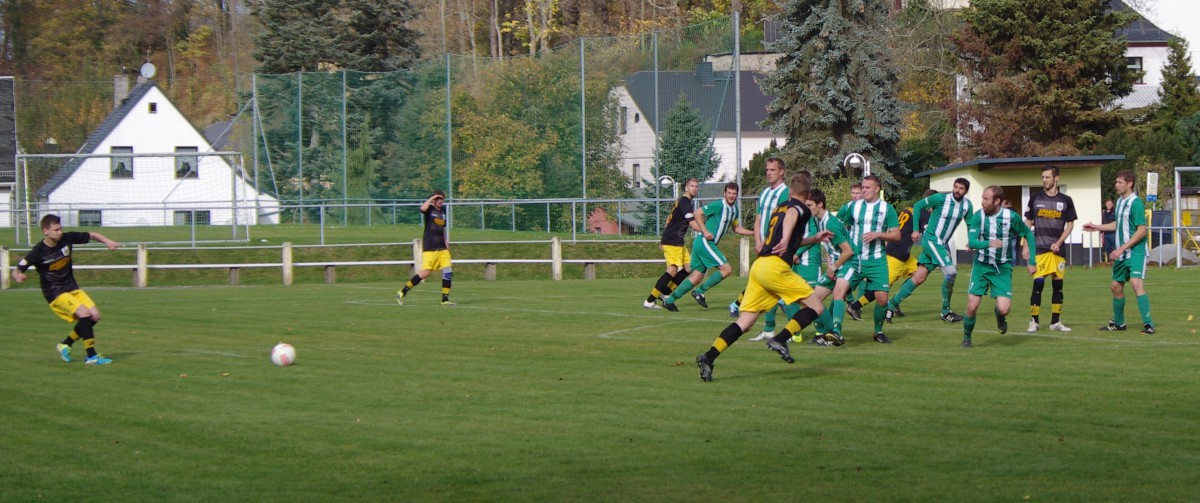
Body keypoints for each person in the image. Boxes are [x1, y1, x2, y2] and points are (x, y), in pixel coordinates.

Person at [695, 173, 833, 382]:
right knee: (817, 307)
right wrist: (787, 238)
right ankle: (781, 338)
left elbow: (787, 233)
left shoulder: (780, 208)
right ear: (805, 195)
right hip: (775, 268)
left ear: (789, 190)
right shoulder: (799, 208)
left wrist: (812, 238)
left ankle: (708, 356)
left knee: (746, 321)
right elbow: (792, 218)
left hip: (760, 267)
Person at [11, 214, 121, 365]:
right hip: (55, 292)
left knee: (95, 316)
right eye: (56, 229)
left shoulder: (67, 239)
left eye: (60, 228)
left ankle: (65, 344)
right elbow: (18, 269)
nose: (60, 232)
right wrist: (17, 275)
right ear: (46, 231)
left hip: (71, 288)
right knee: (84, 313)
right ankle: (91, 356)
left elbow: (92, 235)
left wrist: (108, 241)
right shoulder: (38, 252)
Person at [887, 180, 974, 323]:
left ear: (966, 191)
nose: (957, 190)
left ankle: (890, 306)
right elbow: (918, 205)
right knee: (951, 273)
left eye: (961, 188)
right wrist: (915, 229)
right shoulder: (940, 198)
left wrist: (971, 240)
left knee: (919, 277)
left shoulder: (966, 205)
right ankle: (946, 312)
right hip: (932, 240)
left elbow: (970, 223)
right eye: (956, 187)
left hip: (940, 243)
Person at [960, 186, 1035, 348]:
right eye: (982, 198)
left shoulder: (1011, 217)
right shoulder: (978, 216)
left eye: (986, 199)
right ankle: (966, 338)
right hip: (981, 266)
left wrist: (1032, 261)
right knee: (972, 306)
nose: (982, 202)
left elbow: (1028, 234)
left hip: (1002, 268)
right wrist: (988, 243)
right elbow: (972, 242)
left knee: (1004, 309)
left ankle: (1000, 316)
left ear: (997, 201)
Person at [846, 189, 934, 322]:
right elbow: (929, 235)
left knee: (920, 274)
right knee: (882, 287)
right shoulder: (923, 214)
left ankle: (896, 301)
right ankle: (855, 306)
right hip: (895, 255)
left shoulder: (909, 209)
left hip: (904, 255)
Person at [1083, 170, 1155, 334]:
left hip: (1135, 251)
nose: (1116, 185)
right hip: (1122, 253)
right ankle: (1119, 323)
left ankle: (1148, 324)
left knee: (1136, 284)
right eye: (1116, 182)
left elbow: (1142, 230)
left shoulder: (1136, 202)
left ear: (1129, 184)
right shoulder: (1120, 202)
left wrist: (1122, 247)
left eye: (1119, 182)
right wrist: (1097, 227)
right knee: (1116, 286)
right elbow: (1118, 224)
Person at [663, 182, 752, 311]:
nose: (732, 196)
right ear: (724, 193)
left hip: (702, 243)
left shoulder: (734, 210)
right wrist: (704, 231)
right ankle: (699, 292)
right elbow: (698, 212)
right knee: (726, 269)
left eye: (734, 193)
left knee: (697, 276)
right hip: (705, 242)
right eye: (729, 193)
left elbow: (736, 228)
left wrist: (754, 233)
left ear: (737, 194)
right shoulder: (718, 205)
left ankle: (670, 301)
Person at [728, 157, 790, 342]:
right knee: (769, 289)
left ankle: (795, 330)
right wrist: (758, 241)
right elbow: (758, 220)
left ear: (781, 172)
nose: (769, 172)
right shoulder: (764, 194)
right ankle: (770, 329)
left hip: (777, 249)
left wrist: (772, 242)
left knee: (782, 290)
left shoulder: (785, 193)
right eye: (767, 170)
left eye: (772, 169)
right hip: (764, 248)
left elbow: (785, 221)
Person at [839, 175, 901, 343]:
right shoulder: (853, 206)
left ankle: (878, 332)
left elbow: (896, 234)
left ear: (876, 189)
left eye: (867, 188)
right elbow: (840, 225)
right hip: (855, 259)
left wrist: (878, 234)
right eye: (863, 187)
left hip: (877, 260)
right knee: (839, 292)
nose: (863, 190)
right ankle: (833, 330)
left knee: (882, 299)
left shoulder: (887, 209)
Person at [1024, 165, 1078, 332]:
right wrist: (1025, 244)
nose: (1044, 180)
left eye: (1047, 177)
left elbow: (1070, 224)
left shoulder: (1066, 200)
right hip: (1040, 249)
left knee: (1057, 286)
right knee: (1038, 285)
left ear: (1056, 178)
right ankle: (1034, 321)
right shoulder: (1035, 198)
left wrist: (1060, 242)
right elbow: (1028, 222)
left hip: (1058, 252)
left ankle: (1055, 322)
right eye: (1042, 177)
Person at [643, 178, 711, 309]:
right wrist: (707, 231)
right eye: (692, 186)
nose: (694, 188)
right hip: (672, 240)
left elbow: (670, 222)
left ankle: (665, 294)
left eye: (696, 186)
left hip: (676, 240)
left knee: (689, 267)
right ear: (686, 187)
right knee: (672, 270)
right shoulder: (685, 202)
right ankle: (650, 301)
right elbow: (692, 224)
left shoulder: (684, 202)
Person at [802, 188, 855, 344]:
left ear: (820, 204)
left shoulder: (831, 223)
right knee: (812, 300)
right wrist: (830, 263)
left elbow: (848, 251)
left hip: (850, 262)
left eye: (809, 205)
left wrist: (833, 268)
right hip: (838, 263)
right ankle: (823, 333)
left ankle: (836, 331)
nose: (807, 208)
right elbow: (829, 246)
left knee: (838, 293)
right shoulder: (817, 220)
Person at [398, 190, 456, 306]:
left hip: (442, 248)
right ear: (434, 199)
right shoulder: (429, 209)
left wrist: (446, 242)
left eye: (441, 199)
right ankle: (403, 291)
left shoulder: (443, 211)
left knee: (448, 272)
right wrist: (432, 198)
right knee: (425, 274)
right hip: (430, 248)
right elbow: (422, 209)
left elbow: (442, 229)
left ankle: (445, 299)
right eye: (438, 199)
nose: (440, 201)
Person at [1101, 199, 1116, 264]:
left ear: (1112, 205)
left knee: (1114, 247)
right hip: (1106, 234)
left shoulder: (1115, 212)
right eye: (1108, 204)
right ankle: (1110, 261)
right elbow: (1102, 222)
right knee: (1107, 248)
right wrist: (1101, 232)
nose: (1109, 205)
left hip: (1113, 233)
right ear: (1106, 204)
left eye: (1110, 204)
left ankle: (1115, 261)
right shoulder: (1103, 213)